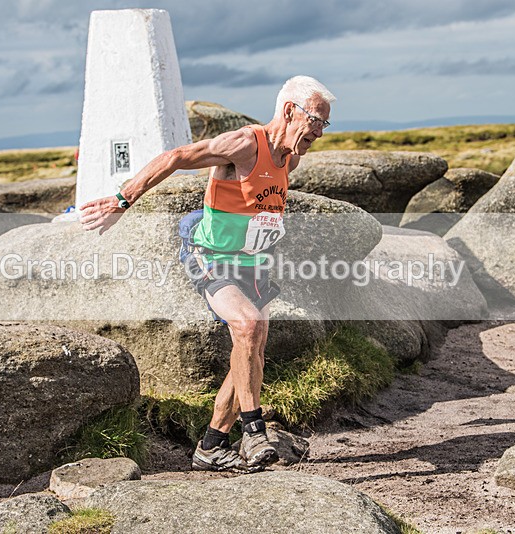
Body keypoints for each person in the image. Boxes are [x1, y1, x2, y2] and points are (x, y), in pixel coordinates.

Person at [80, 76, 335, 472]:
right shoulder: (246, 144)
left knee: (252, 350)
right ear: (289, 111)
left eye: (325, 125)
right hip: (211, 257)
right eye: (316, 121)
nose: (319, 132)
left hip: (252, 264)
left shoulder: (291, 158)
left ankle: (211, 445)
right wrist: (122, 199)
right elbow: (176, 156)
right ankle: (253, 431)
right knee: (248, 326)